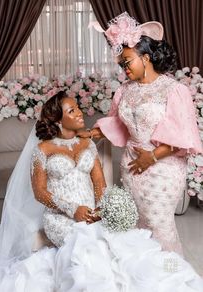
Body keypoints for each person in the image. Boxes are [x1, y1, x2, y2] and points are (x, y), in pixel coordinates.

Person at [0, 89, 203, 291]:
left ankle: (158, 274)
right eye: (72, 111)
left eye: (77, 108)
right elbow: (39, 192)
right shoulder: (43, 150)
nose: (79, 113)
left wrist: (101, 208)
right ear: (58, 120)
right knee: (87, 246)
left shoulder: (88, 143)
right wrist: (73, 210)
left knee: (124, 246)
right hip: (60, 218)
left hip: (92, 212)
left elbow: (99, 184)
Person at [80, 12, 203, 256]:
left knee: (160, 225)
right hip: (131, 164)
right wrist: (92, 132)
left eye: (127, 62)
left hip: (164, 166)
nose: (124, 68)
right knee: (136, 224)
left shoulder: (174, 90)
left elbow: (183, 133)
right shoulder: (124, 90)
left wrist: (153, 156)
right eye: (121, 64)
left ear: (145, 57)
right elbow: (117, 122)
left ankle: (172, 276)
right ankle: (144, 275)